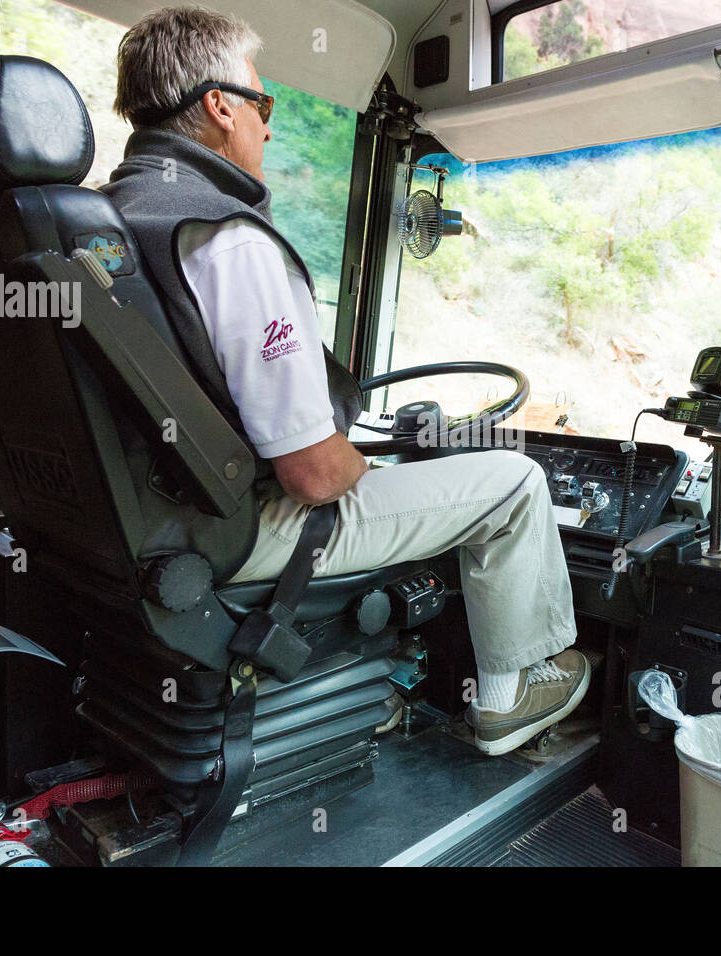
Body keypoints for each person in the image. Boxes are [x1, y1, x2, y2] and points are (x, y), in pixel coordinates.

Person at [103, 6, 586, 756]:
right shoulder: (228, 241)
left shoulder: (111, 222)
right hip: (242, 528)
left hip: (147, 521)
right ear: (219, 105)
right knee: (516, 482)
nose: (270, 127)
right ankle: (511, 694)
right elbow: (315, 474)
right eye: (263, 104)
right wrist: (365, 460)